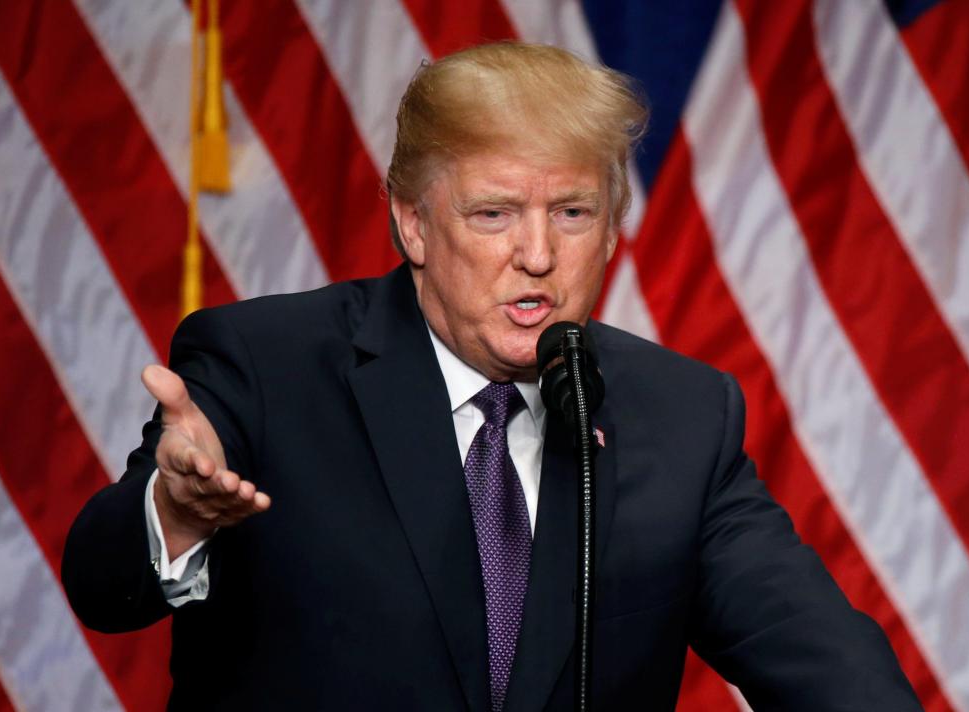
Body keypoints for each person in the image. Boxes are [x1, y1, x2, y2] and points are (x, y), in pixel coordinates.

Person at [61, 41, 918, 710]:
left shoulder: (680, 413)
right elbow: (103, 587)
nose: (538, 256)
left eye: (573, 213)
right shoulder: (267, 365)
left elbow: (818, 659)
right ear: (415, 225)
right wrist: (172, 515)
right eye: (494, 213)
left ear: (615, 227)